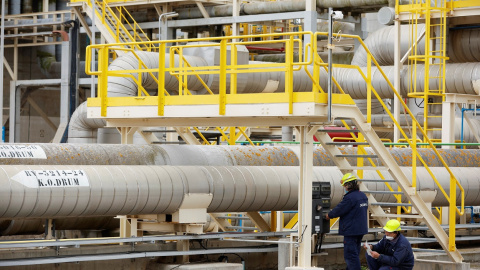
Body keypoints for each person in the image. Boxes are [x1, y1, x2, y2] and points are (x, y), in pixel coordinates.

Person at [326, 173, 368, 270]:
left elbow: (340, 209)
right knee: (354, 254)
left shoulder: (350, 198)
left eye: (344, 185)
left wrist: (329, 215)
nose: (344, 187)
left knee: (351, 256)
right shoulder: (362, 196)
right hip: (360, 230)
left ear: (348, 185)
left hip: (351, 231)